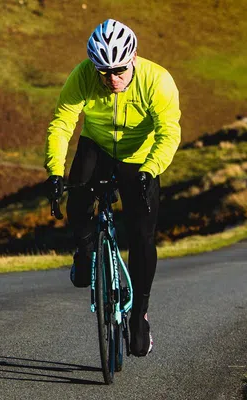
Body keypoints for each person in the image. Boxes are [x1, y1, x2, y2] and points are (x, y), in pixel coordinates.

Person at [43, 19, 181, 357]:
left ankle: (139, 316)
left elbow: (169, 132)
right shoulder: (83, 76)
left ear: (133, 58)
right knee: (76, 205)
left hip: (140, 156)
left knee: (142, 235)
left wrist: (151, 170)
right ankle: (86, 250)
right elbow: (63, 124)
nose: (111, 79)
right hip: (97, 146)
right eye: (103, 71)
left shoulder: (157, 80)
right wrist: (55, 171)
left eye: (118, 70)